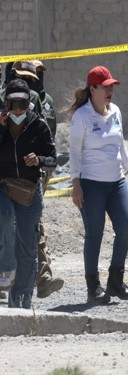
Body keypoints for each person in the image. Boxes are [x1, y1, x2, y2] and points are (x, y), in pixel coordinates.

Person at [69, 66, 128, 304]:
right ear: (93, 89)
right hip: (91, 184)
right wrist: (76, 184)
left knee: (126, 227)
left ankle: (115, 281)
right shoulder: (82, 117)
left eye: (112, 87)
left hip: (116, 182)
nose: (110, 91)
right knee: (95, 234)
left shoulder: (116, 111)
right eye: (105, 87)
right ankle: (93, 286)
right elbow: (74, 153)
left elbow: (121, 144)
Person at [0, 79, 56, 308]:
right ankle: (6, 267)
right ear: (6, 104)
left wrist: (39, 160)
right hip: (3, 187)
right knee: (4, 217)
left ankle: (21, 298)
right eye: (13, 104)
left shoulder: (38, 125)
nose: (18, 110)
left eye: (23, 104)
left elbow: (53, 158)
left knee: (28, 246)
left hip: (29, 191)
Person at [26, 60, 64, 299]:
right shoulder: (10, 99)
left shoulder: (44, 101)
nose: (36, 79)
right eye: (32, 75)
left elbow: (48, 135)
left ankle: (42, 277)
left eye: (39, 74)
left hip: (36, 171)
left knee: (35, 222)